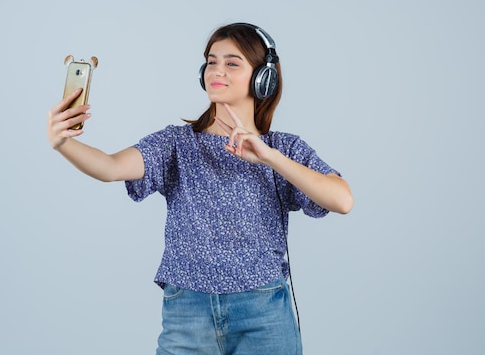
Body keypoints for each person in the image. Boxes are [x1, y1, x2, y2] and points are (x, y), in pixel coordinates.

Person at [47, 22, 353, 355]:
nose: (216, 70)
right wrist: (63, 143)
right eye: (211, 61)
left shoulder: (283, 149)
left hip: (263, 315)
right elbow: (110, 167)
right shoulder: (176, 143)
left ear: (263, 79)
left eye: (232, 63)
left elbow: (342, 199)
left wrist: (269, 158)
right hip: (187, 313)